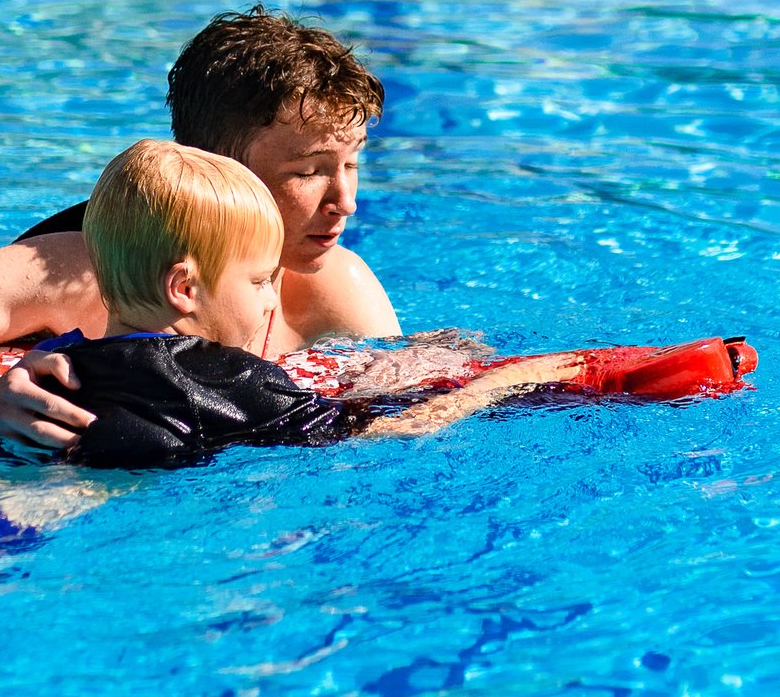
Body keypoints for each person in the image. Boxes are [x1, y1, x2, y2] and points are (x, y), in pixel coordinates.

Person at [0, 8, 401, 454]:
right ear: (212, 169)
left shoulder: (334, 286)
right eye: (308, 172)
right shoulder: (79, 269)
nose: (345, 201)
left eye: (351, 165)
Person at [50, 140, 572, 468]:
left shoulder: (57, 366)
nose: (271, 298)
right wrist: (498, 383)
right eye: (260, 281)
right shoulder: (231, 378)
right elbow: (387, 433)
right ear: (184, 289)